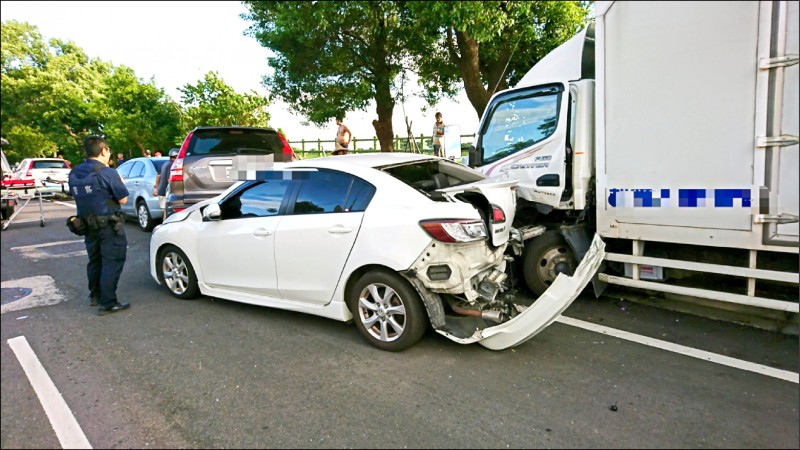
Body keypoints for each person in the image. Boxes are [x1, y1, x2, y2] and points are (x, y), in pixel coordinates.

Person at [68, 136, 131, 316]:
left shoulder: (74, 173)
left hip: (86, 225)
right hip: (109, 225)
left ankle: (95, 296)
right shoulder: (107, 172)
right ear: (103, 151)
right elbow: (123, 198)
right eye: (108, 150)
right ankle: (108, 302)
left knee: (95, 261)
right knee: (112, 261)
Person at [154, 148, 178, 220]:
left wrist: (156, 189)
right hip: (166, 193)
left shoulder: (165, 164)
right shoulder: (172, 165)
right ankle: (165, 228)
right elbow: (169, 180)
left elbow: (158, 176)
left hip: (161, 191)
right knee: (167, 213)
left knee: (165, 212)